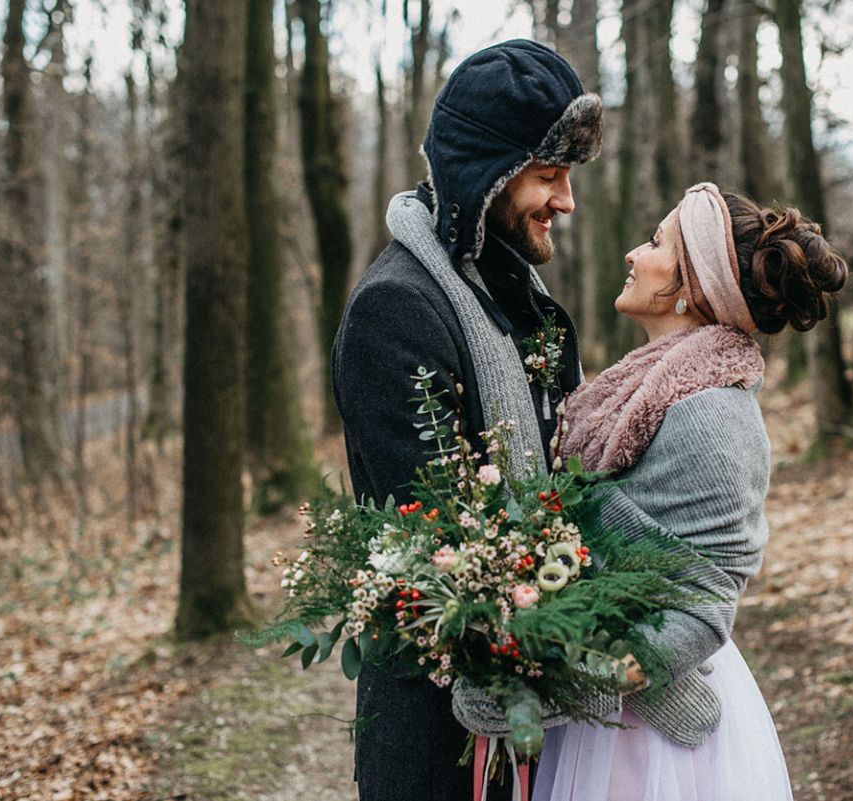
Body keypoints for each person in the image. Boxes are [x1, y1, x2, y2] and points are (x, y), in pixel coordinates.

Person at [332, 39, 603, 801]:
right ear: (486, 174)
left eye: (568, 177)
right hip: (443, 739)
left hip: (540, 715)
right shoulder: (399, 309)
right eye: (548, 176)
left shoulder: (511, 292)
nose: (566, 201)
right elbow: (442, 549)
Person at [535, 183, 848, 800]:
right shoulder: (652, 387)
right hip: (613, 697)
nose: (633, 252)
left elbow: (706, 598)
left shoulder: (711, 414)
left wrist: (557, 680)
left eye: (655, 243)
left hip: (646, 730)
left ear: (690, 289)